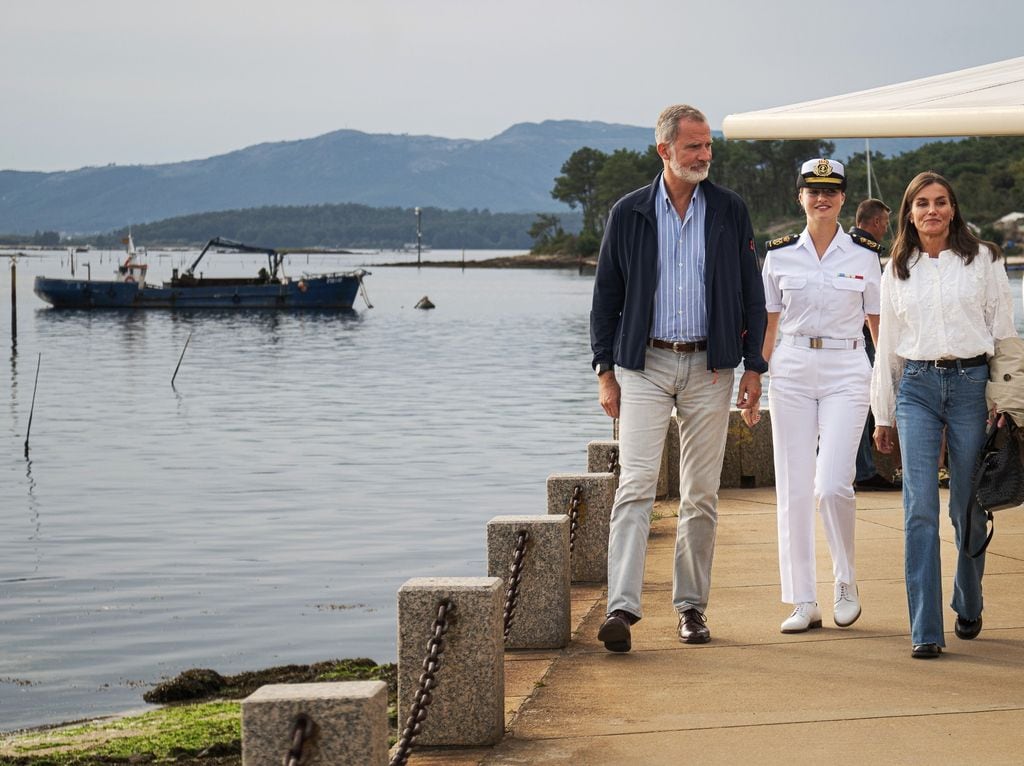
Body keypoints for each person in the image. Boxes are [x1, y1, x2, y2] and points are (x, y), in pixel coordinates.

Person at [590, 104, 767, 653]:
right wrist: (604, 370)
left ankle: (691, 608)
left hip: (711, 367)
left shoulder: (729, 210)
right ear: (664, 149)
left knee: (700, 494)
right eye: (693, 146)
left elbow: (750, 291)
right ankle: (622, 607)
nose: (705, 156)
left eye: (708, 145)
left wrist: (755, 366)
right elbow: (607, 297)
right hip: (641, 364)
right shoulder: (629, 212)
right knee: (636, 486)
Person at [872, 171, 1016, 659]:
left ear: (953, 209)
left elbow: (1004, 335)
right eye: (921, 204)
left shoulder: (985, 260)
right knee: (919, 509)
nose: (931, 211)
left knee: (968, 508)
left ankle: (969, 599)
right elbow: (887, 347)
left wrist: (1009, 402)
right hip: (916, 388)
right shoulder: (896, 268)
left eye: (940, 202)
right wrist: (883, 414)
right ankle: (925, 629)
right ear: (909, 213)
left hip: (973, 388)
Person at [744, 159, 881, 634]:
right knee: (795, 488)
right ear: (799, 197)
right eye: (812, 190)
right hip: (793, 367)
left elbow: (876, 326)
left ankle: (846, 582)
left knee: (832, 485)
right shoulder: (780, 254)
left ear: (843, 197)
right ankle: (804, 599)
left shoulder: (864, 254)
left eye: (831, 190)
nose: (822, 198)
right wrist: (754, 376)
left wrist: (886, 389)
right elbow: (768, 322)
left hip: (847, 366)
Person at [849, 199, 901, 492]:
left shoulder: (844, 244)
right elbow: (872, 306)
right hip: (863, 341)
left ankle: (860, 470)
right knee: (863, 407)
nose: (885, 229)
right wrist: (883, 348)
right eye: (884, 223)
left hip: (850, 340)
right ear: (876, 222)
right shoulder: (864, 250)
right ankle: (864, 471)